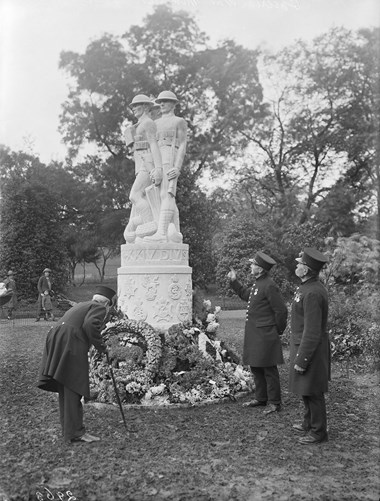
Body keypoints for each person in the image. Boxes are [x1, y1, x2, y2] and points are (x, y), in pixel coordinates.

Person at [37, 285, 116, 444]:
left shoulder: (82, 305)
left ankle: (69, 431)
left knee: (66, 386)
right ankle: (76, 433)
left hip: (57, 340)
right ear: (107, 304)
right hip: (71, 343)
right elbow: (90, 325)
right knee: (74, 386)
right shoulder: (99, 308)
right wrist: (102, 348)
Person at [228, 252, 288, 414]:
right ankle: (261, 398)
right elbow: (246, 295)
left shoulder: (269, 285)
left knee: (268, 368)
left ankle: (275, 402)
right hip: (256, 334)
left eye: (253, 264)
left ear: (260, 269)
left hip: (266, 334)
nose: (251, 266)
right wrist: (234, 281)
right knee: (256, 365)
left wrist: (277, 330)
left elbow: (281, 311)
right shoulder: (259, 283)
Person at [289, 247, 330, 445]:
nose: (297, 266)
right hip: (303, 345)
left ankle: (318, 431)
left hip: (310, 348)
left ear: (306, 270)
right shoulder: (307, 287)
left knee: (313, 391)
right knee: (306, 388)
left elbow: (312, 330)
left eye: (300, 264)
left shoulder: (313, 292)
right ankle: (308, 422)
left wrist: (302, 359)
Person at [145, 90, 187, 243]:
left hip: (170, 154)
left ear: (173, 104)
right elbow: (150, 145)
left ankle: (162, 233)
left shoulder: (179, 121)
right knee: (158, 194)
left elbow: (182, 144)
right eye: (160, 101)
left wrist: (177, 167)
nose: (161, 104)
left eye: (165, 101)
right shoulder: (155, 123)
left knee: (167, 193)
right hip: (157, 157)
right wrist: (152, 168)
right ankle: (174, 231)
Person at [123, 94, 163, 243]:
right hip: (140, 165)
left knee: (134, 195)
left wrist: (157, 168)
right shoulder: (137, 126)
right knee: (140, 197)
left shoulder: (148, 123)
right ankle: (148, 224)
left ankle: (150, 225)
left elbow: (153, 144)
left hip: (148, 163)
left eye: (137, 105)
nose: (133, 108)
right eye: (133, 106)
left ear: (146, 107)